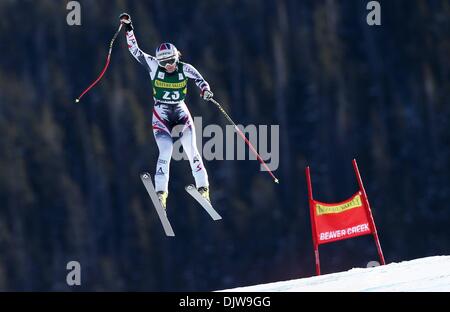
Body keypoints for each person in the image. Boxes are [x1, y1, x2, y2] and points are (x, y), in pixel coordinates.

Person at [119, 13, 213, 210]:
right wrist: (129, 28)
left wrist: (205, 91)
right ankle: (161, 193)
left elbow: (200, 80)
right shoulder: (154, 65)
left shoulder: (184, 68)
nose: (169, 65)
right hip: (161, 116)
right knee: (166, 151)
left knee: (192, 150)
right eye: (164, 63)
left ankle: (203, 188)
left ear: (176, 56)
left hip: (180, 113)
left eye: (171, 60)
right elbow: (134, 50)